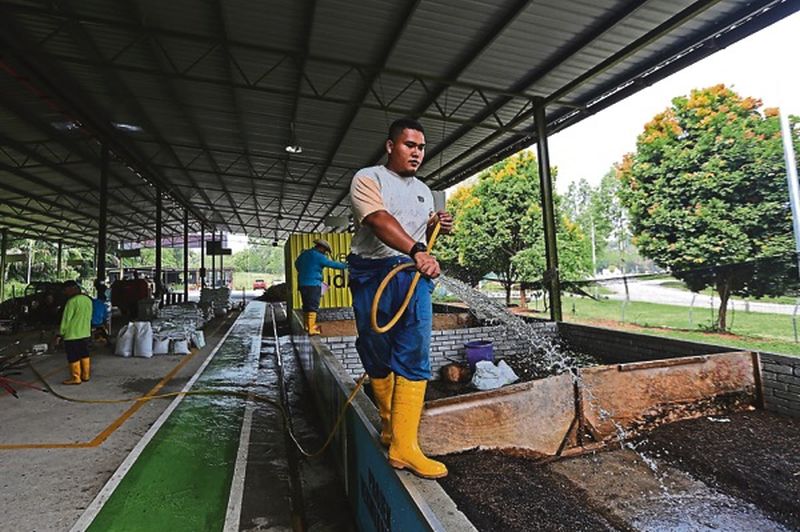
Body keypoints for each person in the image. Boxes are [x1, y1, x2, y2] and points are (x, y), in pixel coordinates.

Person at [347, 117, 453, 479]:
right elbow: (377, 220)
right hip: (373, 273)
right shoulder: (368, 178)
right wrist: (418, 248)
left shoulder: (424, 189)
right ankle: (390, 426)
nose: (417, 153)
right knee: (376, 350)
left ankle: (405, 447)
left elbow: (415, 228)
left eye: (421, 147)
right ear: (391, 146)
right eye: (409, 145)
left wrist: (435, 223)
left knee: (413, 350)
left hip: (411, 274)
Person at [294, 239, 347, 335]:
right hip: (313, 284)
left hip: (302, 284)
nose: (325, 252)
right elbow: (333, 264)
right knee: (313, 306)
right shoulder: (319, 256)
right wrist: (347, 265)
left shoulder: (304, 254)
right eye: (325, 250)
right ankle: (311, 328)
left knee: (306, 305)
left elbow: (296, 264)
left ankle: (307, 325)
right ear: (321, 247)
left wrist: (304, 272)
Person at [58, 280, 93, 385]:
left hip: (72, 335)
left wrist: (61, 333)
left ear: (71, 289)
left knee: (73, 357)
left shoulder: (71, 302)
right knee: (84, 354)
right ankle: (86, 375)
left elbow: (66, 319)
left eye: (65, 291)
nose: (65, 293)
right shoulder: (88, 300)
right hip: (85, 333)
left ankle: (76, 378)